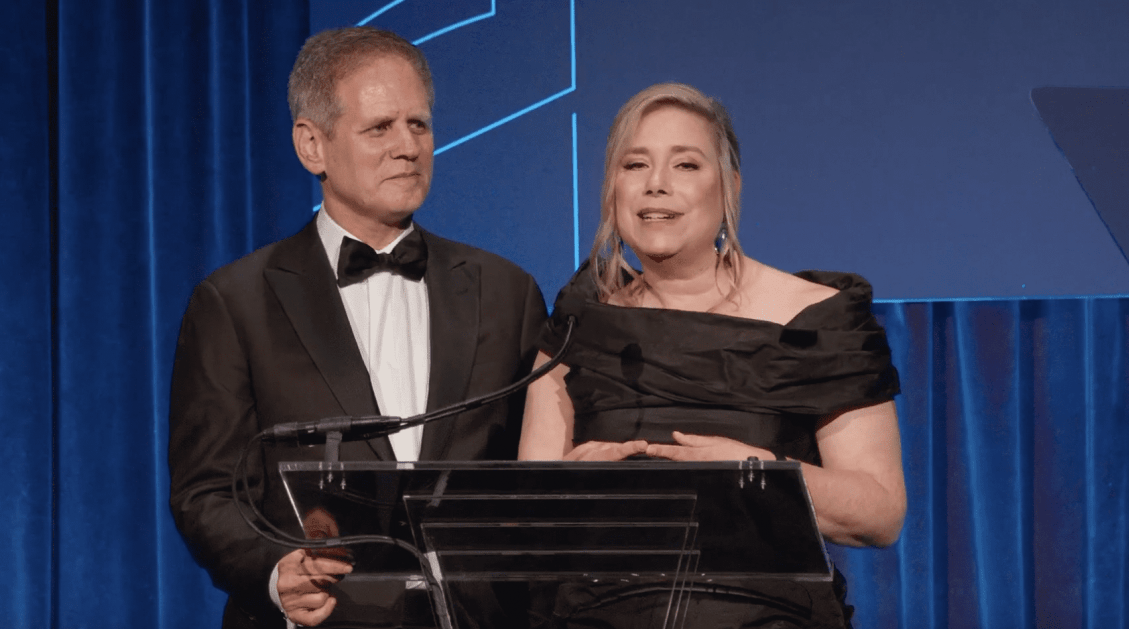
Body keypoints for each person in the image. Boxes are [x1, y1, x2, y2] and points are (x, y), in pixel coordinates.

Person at [168, 27, 546, 629]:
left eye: (418, 125)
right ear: (311, 146)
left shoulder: (508, 292)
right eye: (380, 128)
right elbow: (208, 492)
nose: (408, 147)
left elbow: (533, 487)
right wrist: (275, 571)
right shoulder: (234, 301)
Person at [519, 83, 905, 628]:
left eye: (685, 165)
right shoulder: (578, 324)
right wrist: (571, 486)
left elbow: (880, 514)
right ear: (611, 189)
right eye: (635, 165)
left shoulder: (818, 321)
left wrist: (757, 474)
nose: (656, 185)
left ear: (729, 188)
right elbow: (520, 519)